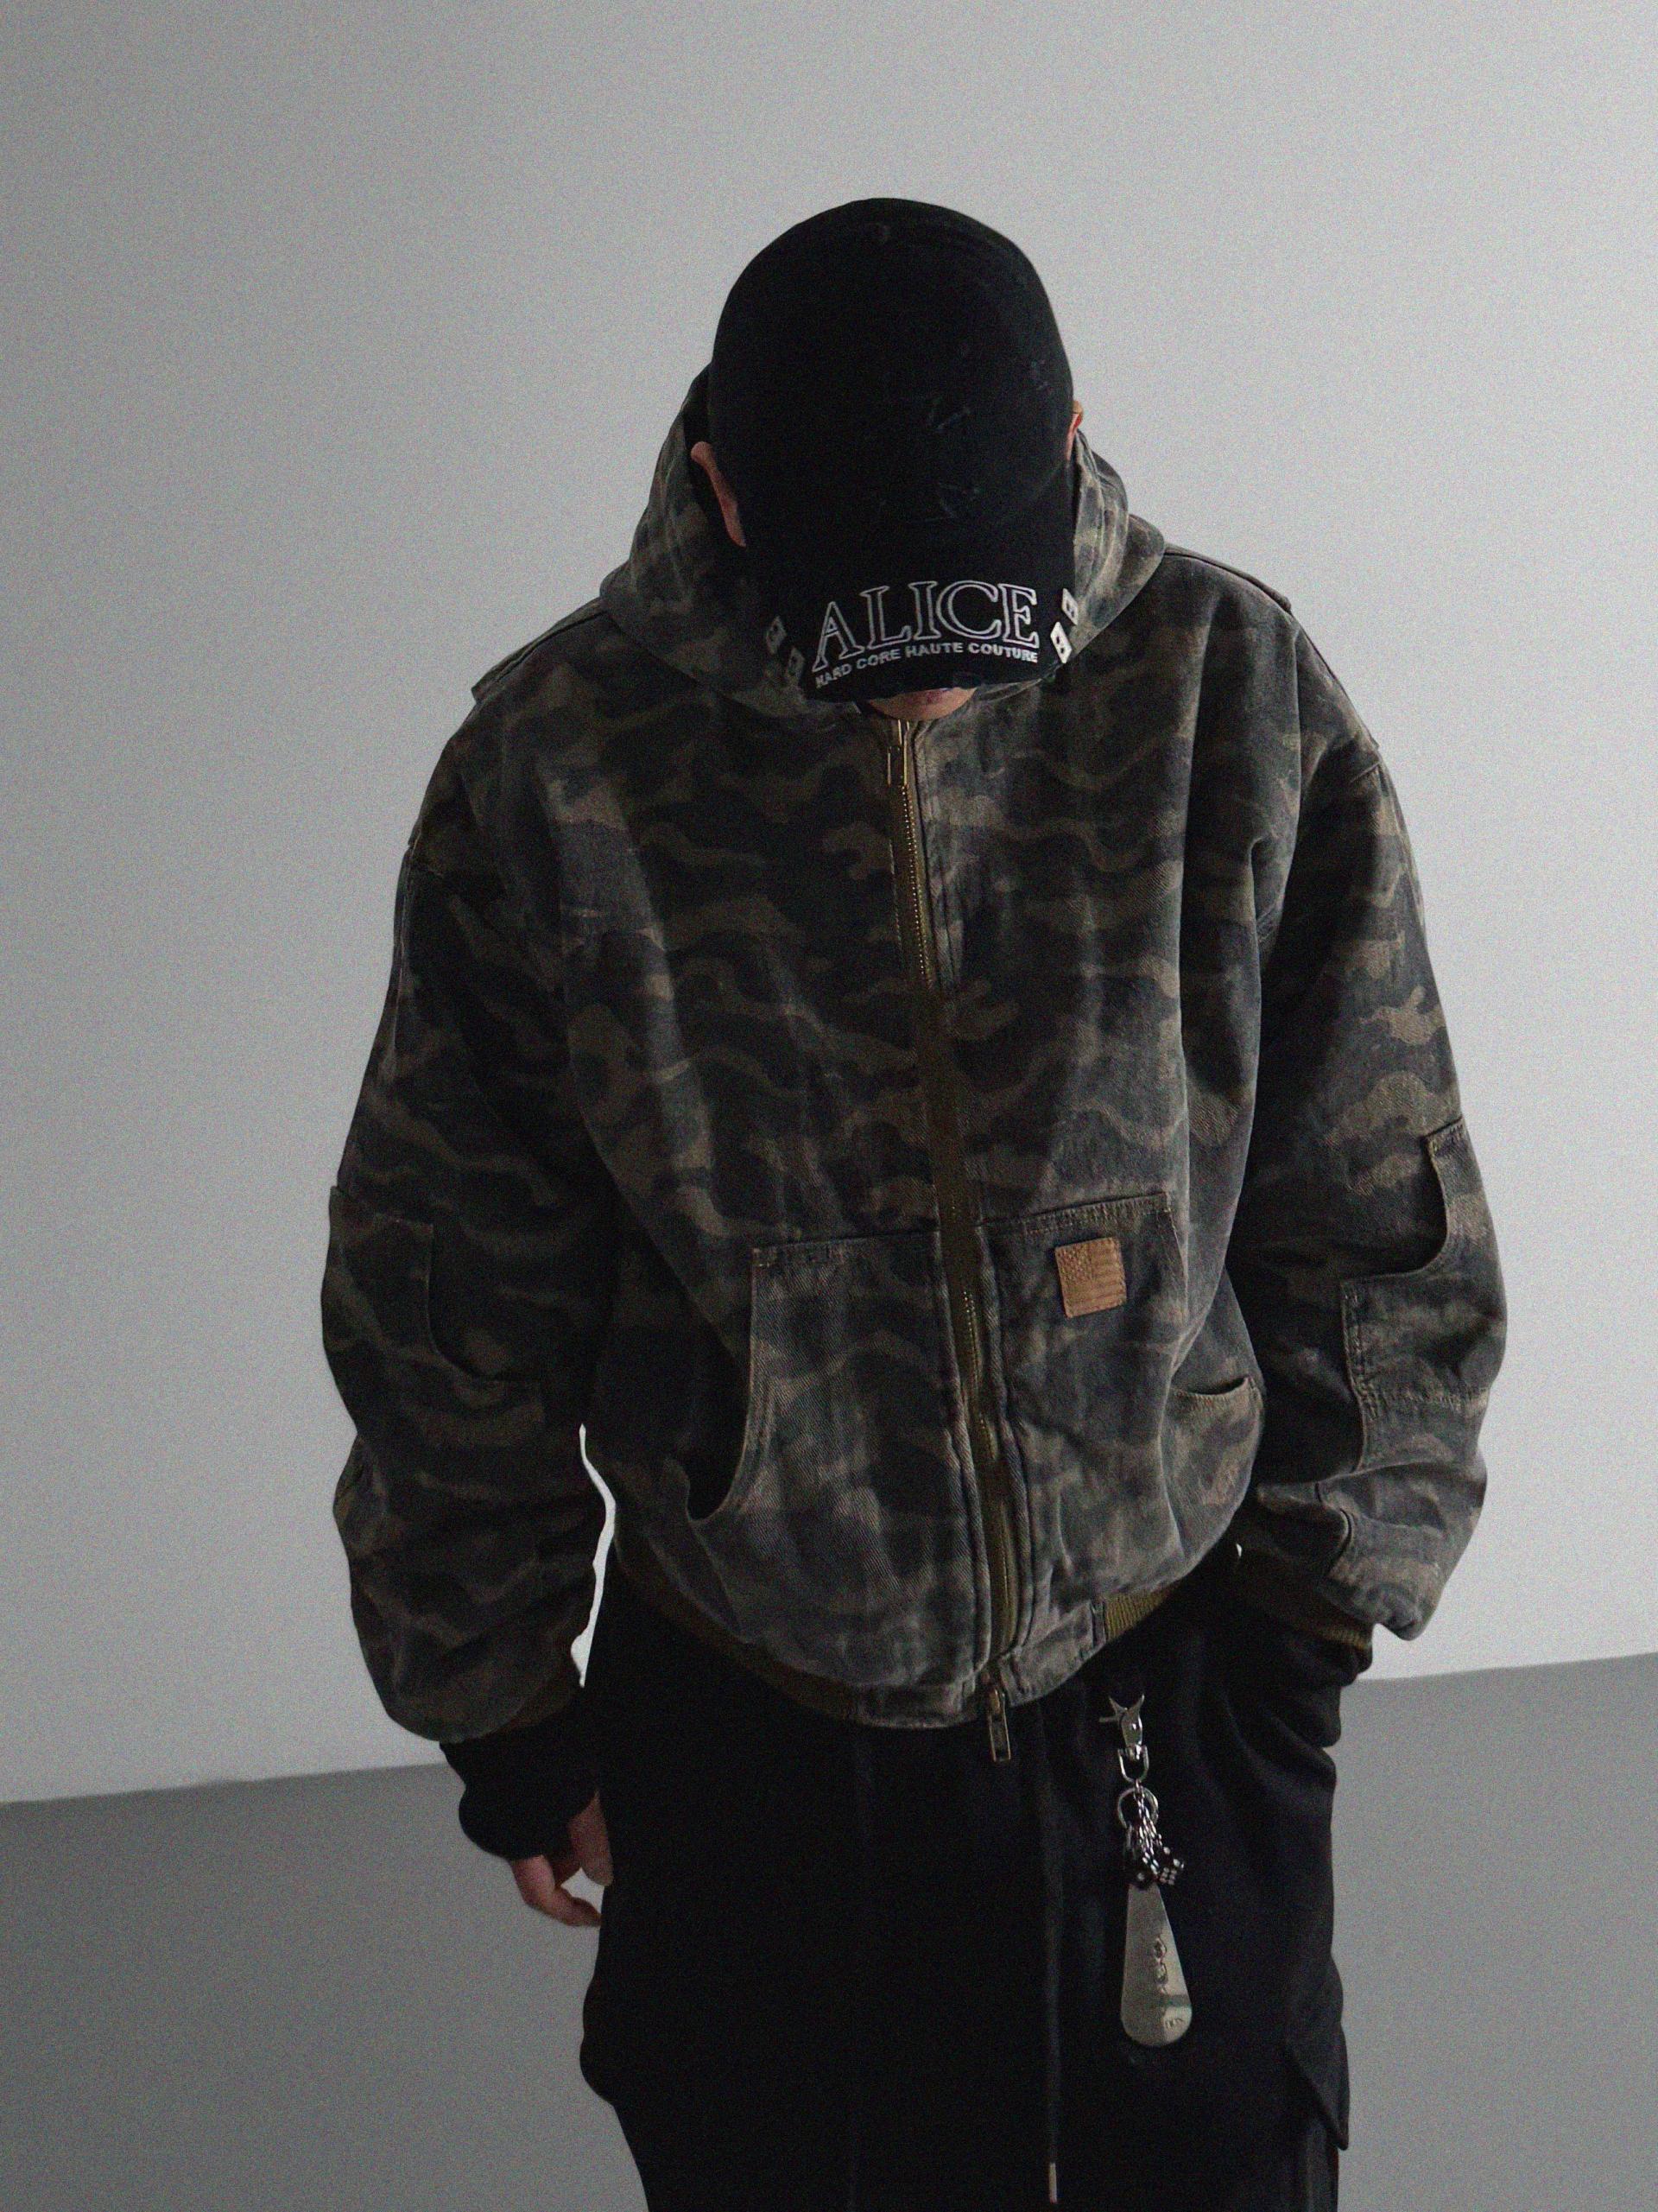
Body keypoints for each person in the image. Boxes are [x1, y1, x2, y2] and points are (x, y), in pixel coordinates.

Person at [320, 198, 1507, 2209]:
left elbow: (1380, 1208)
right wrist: (503, 1702)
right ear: (723, 490)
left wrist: (1310, 1631)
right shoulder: (558, 773)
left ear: (1072, 445)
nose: (928, 692)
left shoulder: (1229, 697)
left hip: (1169, 1683)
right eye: (864, 617)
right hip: (752, 1725)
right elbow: (452, 1282)